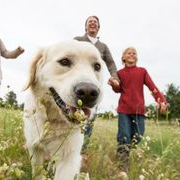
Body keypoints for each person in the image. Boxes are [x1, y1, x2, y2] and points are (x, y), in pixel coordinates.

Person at [108, 47, 168, 172]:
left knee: (138, 137)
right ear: (123, 57)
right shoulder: (120, 73)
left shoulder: (142, 71)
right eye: (129, 53)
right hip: (124, 109)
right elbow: (117, 89)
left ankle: (124, 152)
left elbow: (153, 87)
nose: (132, 54)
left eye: (134, 53)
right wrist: (114, 84)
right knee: (124, 136)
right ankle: (122, 166)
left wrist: (162, 100)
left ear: (137, 57)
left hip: (139, 110)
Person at [73, 15, 120, 171]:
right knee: (69, 116)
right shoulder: (77, 40)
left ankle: (82, 150)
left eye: (95, 22)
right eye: (89, 22)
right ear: (85, 27)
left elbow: (111, 64)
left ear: (98, 27)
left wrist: (115, 78)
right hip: (75, 86)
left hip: (93, 87)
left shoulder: (103, 47)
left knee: (88, 119)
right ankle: (64, 148)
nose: (92, 23)